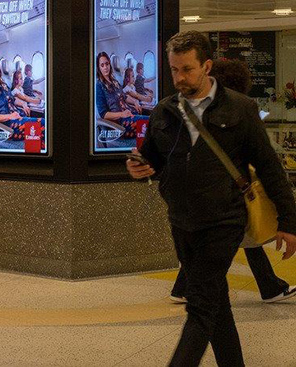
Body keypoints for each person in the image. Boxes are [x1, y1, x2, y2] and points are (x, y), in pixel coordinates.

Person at [127, 31, 296, 367]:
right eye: (174, 70)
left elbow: (269, 168)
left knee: (201, 306)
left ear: (206, 65)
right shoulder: (164, 111)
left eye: (187, 69)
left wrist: (290, 222)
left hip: (224, 219)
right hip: (182, 220)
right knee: (216, 302)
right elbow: (152, 158)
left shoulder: (241, 108)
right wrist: (139, 166)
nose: (179, 78)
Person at [169, 58, 296, 304]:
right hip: (231, 190)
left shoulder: (193, 111)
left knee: (243, 233)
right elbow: (268, 167)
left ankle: (185, 287)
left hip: (206, 193)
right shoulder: (240, 112)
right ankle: (191, 287)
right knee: (240, 232)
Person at [0, 57, 44, 142]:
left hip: (18, 115)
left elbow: (13, 99)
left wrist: (23, 104)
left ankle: (37, 150)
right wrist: (10, 116)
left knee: (39, 134)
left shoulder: (4, 84)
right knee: (42, 123)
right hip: (9, 124)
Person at [95, 51, 147, 140]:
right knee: (149, 122)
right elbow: (104, 114)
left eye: (107, 64)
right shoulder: (99, 86)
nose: (105, 67)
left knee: (153, 117)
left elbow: (124, 96)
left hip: (129, 113)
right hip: (120, 123)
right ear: (99, 68)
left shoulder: (115, 81)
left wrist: (135, 102)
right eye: (102, 65)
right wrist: (122, 114)